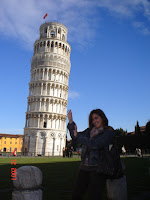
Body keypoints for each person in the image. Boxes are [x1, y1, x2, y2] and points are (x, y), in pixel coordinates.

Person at [67, 109, 115, 200]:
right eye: (92, 119)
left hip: (98, 168)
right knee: (76, 195)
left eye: (96, 118)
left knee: (94, 195)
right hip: (84, 167)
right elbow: (75, 136)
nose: (94, 121)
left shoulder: (108, 132)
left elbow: (95, 144)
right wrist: (71, 122)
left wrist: (78, 136)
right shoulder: (89, 131)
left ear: (102, 118)